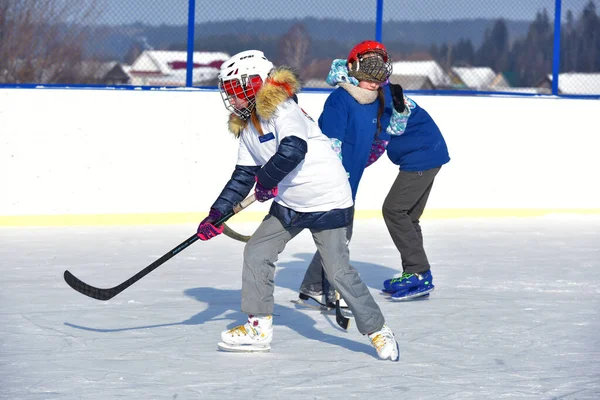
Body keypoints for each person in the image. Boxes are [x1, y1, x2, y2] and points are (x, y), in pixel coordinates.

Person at [196, 49, 399, 361]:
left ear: (253, 84)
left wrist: (266, 180)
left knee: (338, 271)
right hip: (291, 204)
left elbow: (294, 148)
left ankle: (378, 330)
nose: (230, 98)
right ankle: (258, 327)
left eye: (235, 90)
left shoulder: (281, 107)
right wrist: (217, 213)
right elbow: (242, 175)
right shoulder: (249, 126)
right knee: (257, 251)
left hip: (328, 199)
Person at [296, 40, 395, 309]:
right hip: (333, 183)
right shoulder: (340, 99)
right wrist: (337, 178)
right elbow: (330, 145)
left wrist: (376, 148)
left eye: (378, 78)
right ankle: (324, 288)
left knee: (339, 239)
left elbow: (372, 142)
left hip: (350, 183)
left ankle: (314, 287)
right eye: (368, 76)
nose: (373, 83)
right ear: (353, 69)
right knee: (338, 240)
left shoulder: (374, 101)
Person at [380, 78, 451, 300]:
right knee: (409, 216)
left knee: (393, 210)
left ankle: (418, 272)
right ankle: (417, 273)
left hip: (421, 158)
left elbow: (380, 134)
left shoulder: (383, 98)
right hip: (429, 155)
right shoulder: (384, 96)